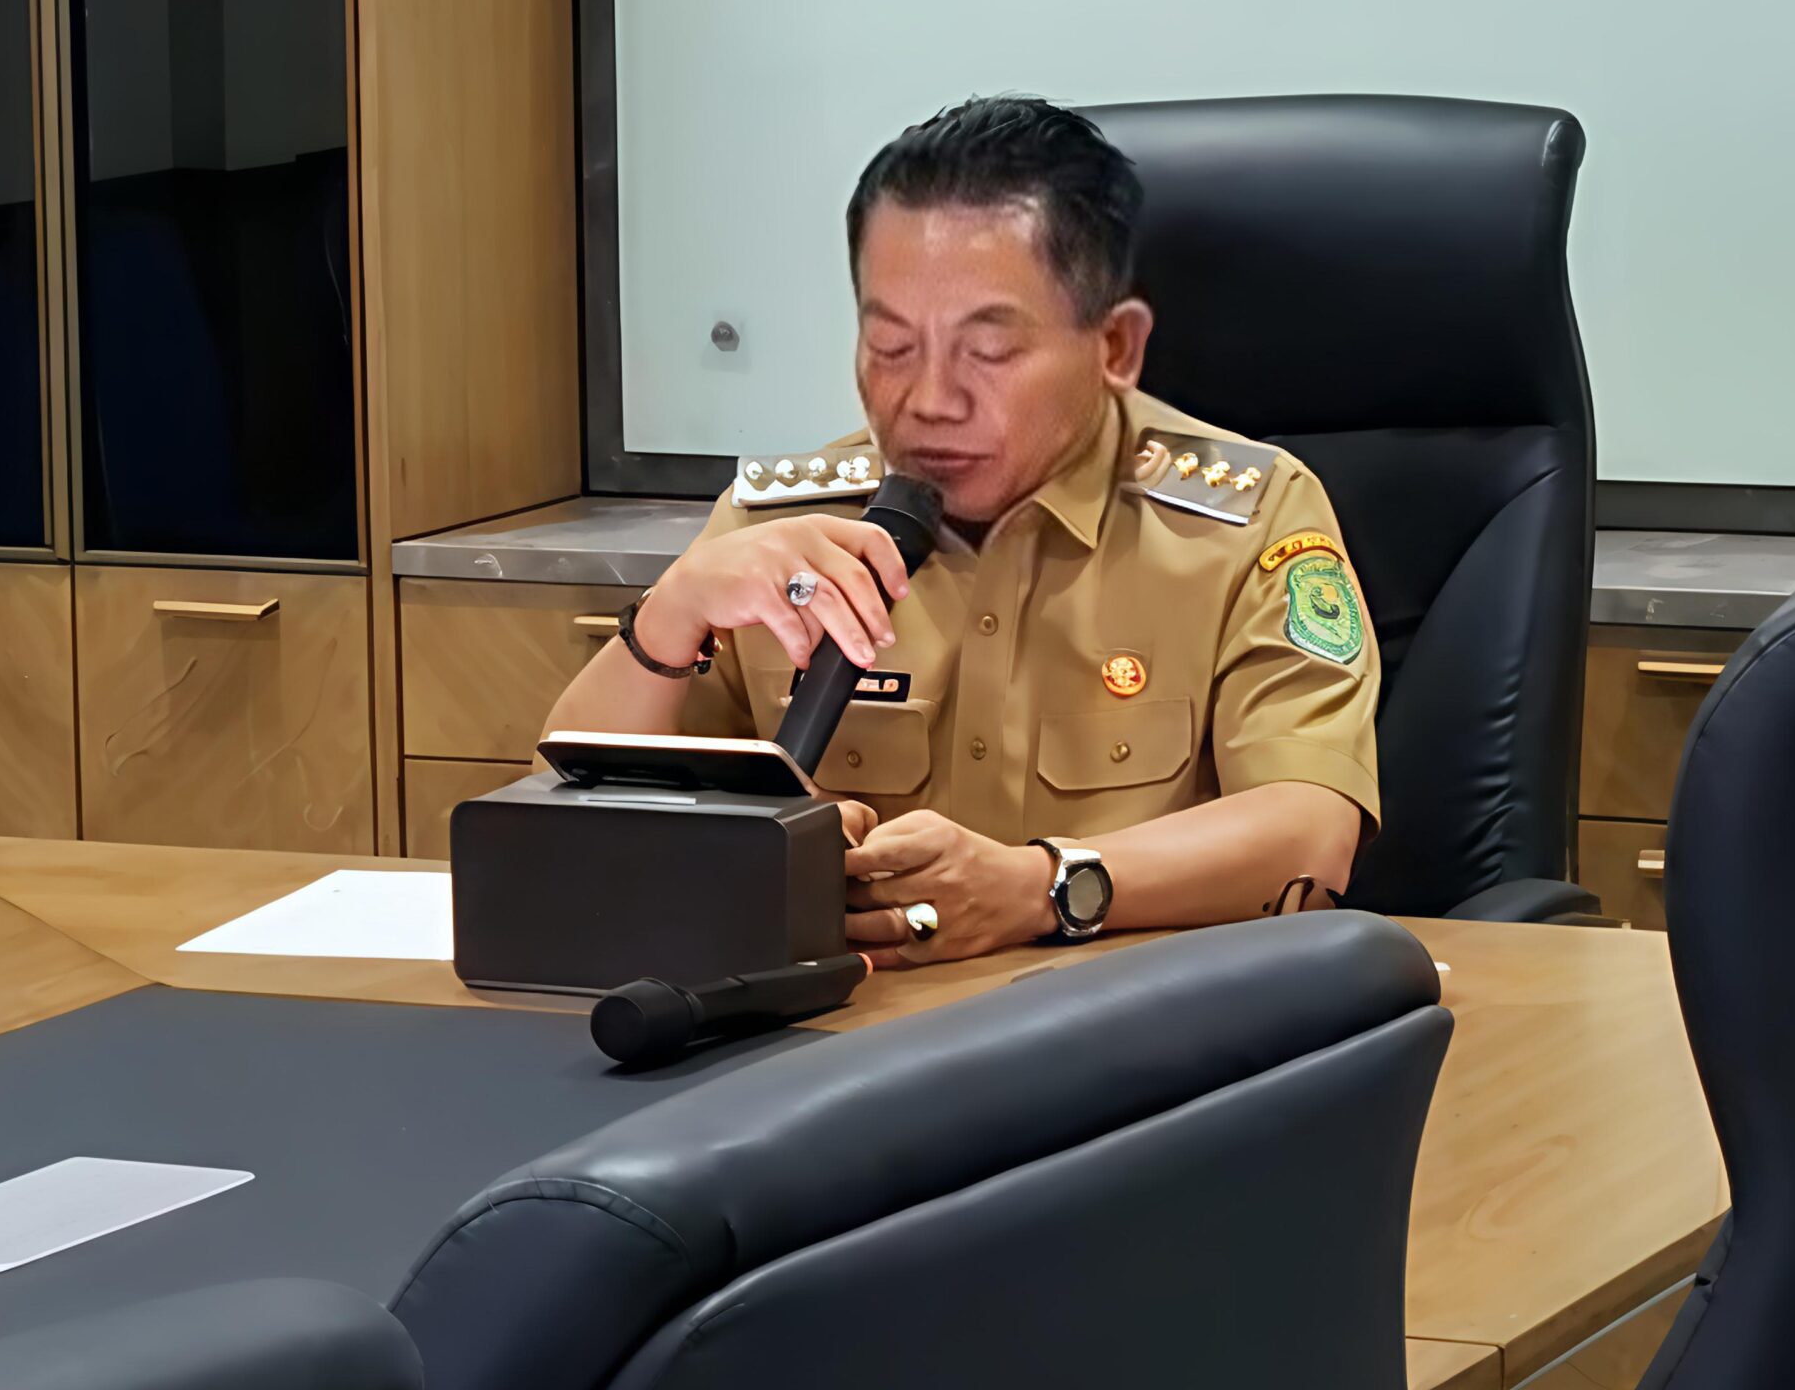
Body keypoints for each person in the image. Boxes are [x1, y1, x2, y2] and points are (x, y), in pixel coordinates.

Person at [542, 96, 1379, 968]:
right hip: (846, 1022)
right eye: (891, 347)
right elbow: (564, 839)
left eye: (988, 352)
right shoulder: (783, 531)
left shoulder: (1246, 522)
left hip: (1138, 1024)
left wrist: (1040, 887)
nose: (930, 401)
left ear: (1116, 347)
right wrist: (670, 616)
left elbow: (1312, 833)